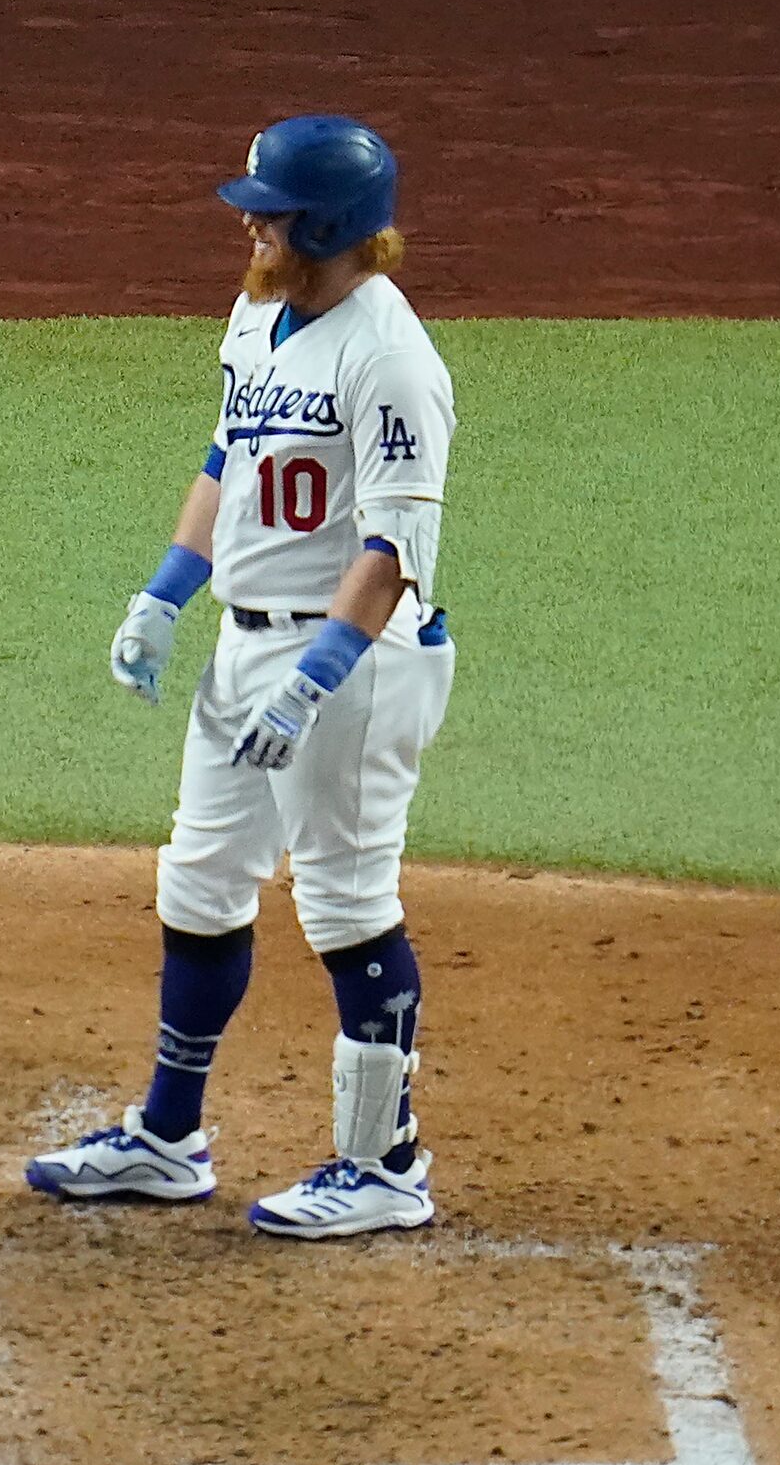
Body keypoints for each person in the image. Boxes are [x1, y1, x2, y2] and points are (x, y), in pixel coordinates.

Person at [25, 115, 458, 1240]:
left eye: (268, 210)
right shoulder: (259, 314)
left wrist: (312, 680)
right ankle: (168, 1139)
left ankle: (385, 1165)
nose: (250, 223)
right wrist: (164, 593)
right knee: (201, 880)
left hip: (351, 664)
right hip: (238, 646)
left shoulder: (392, 359)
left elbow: (395, 554)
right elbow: (229, 458)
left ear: (323, 224)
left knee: (348, 903)